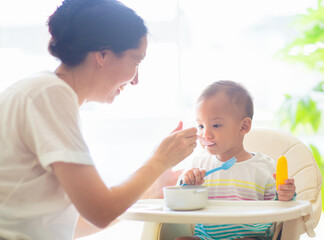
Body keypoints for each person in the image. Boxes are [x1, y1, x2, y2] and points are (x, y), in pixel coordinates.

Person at [0, 0, 197, 239]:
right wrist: (159, 161)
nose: (135, 80)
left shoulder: (45, 94)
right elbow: (100, 211)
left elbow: (77, 224)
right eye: (135, 62)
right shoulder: (49, 94)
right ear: (102, 55)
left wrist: (152, 188)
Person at [177, 81, 296, 240]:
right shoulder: (198, 165)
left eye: (216, 125)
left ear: (243, 126)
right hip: (206, 237)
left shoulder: (264, 168)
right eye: (200, 126)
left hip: (251, 237)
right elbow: (178, 202)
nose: (206, 134)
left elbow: (280, 208)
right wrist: (187, 185)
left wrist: (286, 195)